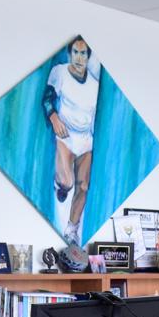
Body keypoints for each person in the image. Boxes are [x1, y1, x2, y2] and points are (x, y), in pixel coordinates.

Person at [42, 35, 100, 246]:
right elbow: (47, 98)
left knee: (83, 186)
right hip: (65, 136)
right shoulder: (60, 72)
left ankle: (71, 229)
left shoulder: (94, 85)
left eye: (83, 53)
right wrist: (54, 117)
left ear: (87, 56)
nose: (78, 57)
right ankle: (62, 187)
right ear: (70, 54)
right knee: (67, 182)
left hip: (85, 139)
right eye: (75, 52)